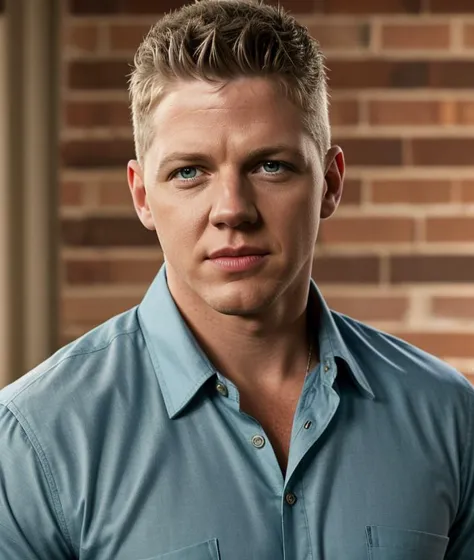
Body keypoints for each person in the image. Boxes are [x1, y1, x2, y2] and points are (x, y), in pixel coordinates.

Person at [1, 0, 473, 558]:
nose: (232, 209)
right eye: (189, 172)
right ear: (141, 195)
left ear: (330, 182)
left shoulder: (450, 417)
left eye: (270, 165)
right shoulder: (35, 439)